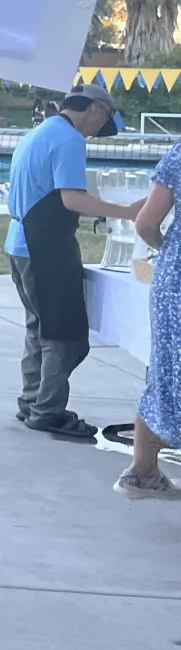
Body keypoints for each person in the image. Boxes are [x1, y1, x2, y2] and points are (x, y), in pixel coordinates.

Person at [6, 82, 145, 441]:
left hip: (19, 242)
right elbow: (72, 199)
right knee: (64, 336)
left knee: (38, 328)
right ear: (96, 108)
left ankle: (31, 401)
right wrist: (125, 212)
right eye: (104, 122)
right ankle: (48, 412)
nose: (99, 131)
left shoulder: (38, 132)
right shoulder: (70, 139)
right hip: (45, 247)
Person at [123, 147, 181, 499]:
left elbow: (145, 223)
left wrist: (170, 251)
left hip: (175, 280)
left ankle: (142, 470)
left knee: (164, 369)